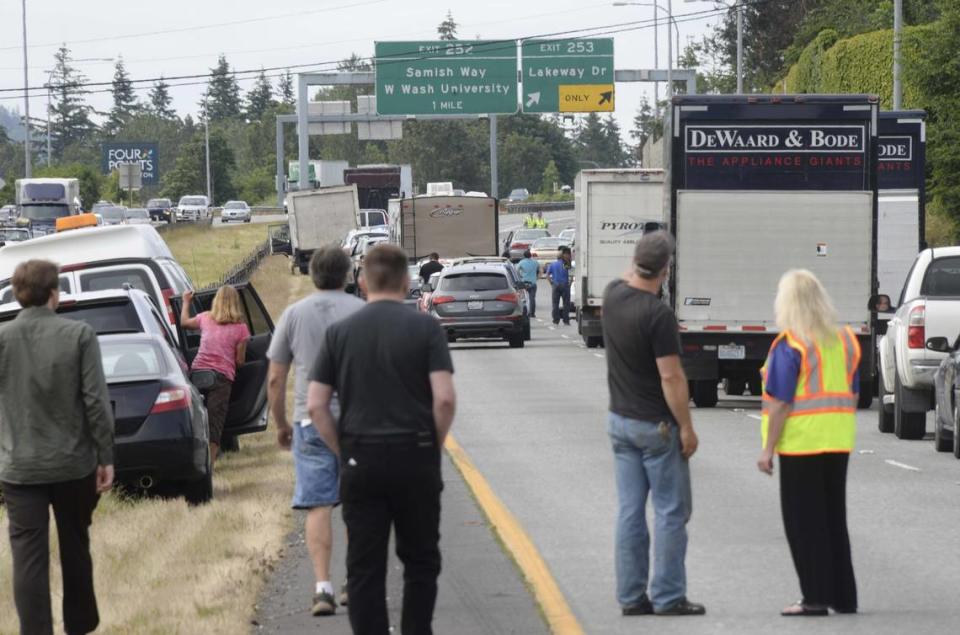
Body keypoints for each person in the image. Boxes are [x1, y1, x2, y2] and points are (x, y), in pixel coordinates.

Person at [307, 244, 456, 635]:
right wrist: (432, 444)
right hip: (416, 455)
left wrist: (343, 449)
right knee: (421, 560)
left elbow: (317, 405)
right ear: (406, 282)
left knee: (364, 566)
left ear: (361, 282)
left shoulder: (339, 333)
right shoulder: (426, 329)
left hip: (361, 459)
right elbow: (443, 398)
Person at [0, 259, 115, 635]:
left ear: (18, 295)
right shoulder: (79, 335)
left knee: (28, 559)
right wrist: (105, 456)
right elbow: (95, 401)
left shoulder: (2, 338)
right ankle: (80, 625)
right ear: (54, 293)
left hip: (20, 466)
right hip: (73, 463)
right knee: (75, 547)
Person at [601, 231, 705, 617]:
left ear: (633, 261)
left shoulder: (613, 296)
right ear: (666, 269)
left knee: (630, 511)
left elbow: (629, 275)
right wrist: (687, 427)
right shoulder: (657, 315)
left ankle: (631, 596)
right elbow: (672, 378)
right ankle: (668, 595)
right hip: (656, 426)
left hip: (620, 420)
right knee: (670, 512)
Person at [267, 246, 365, 616]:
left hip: (309, 421)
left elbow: (276, 378)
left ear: (310, 273)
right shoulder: (361, 312)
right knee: (356, 504)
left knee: (318, 505)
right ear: (348, 274)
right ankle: (354, 581)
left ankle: (322, 586)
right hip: (357, 421)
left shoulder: (294, 314)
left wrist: (280, 424)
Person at [757, 269, 860, 617]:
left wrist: (768, 449)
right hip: (838, 440)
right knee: (833, 519)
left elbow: (781, 400)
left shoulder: (791, 343)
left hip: (801, 443)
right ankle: (844, 597)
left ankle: (814, 597)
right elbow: (854, 389)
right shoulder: (845, 339)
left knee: (804, 523)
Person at [180, 285, 251, 462]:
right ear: (236, 303)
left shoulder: (204, 318)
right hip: (222, 378)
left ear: (216, 301)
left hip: (198, 374)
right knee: (215, 422)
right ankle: (209, 465)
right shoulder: (241, 329)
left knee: (194, 417)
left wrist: (185, 302)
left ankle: (192, 458)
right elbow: (240, 361)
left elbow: (184, 323)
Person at [546, 246, 573, 325]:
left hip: (555, 285)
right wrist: (570, 283)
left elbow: (547, 275)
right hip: (565, 285)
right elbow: (570, 274)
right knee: (566, 304)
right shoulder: (565, 264)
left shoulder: (553, 264)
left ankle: (556, 319)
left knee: (555, 303)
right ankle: (566, 320)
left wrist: (551, 283)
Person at [516, 249, 540, 318]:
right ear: (530, 256)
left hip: (524, 283)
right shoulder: (535, 262)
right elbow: (540, 270)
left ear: (524, 256)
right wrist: (537, 278)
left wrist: (520, 276)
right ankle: (532, 313)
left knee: (524, 299)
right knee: (532, 298)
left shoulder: (521, 262)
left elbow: (517, 270)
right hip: (533, 283)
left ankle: (525, 312)